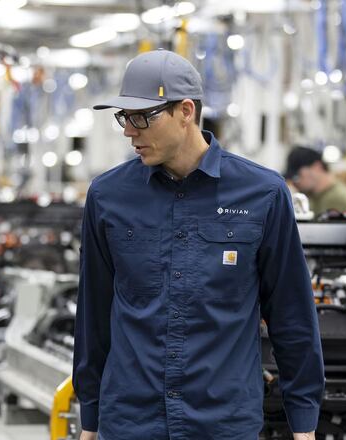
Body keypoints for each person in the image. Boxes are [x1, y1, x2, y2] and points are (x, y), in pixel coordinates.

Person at [74, 49, 324, 440]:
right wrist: (89, 414)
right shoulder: (108, 196)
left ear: (185, 111)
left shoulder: (263, 193)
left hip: (222, 421)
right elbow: (94, 312)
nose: (129, 130)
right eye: (124, 117)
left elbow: (291, 313)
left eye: (141, 117)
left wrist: (304, 422)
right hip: (131, 420)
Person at [285, 146, 346, 216]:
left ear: (317, 167)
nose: (295, 183)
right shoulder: (312, 195)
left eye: (298, 176)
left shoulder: (337, 198)